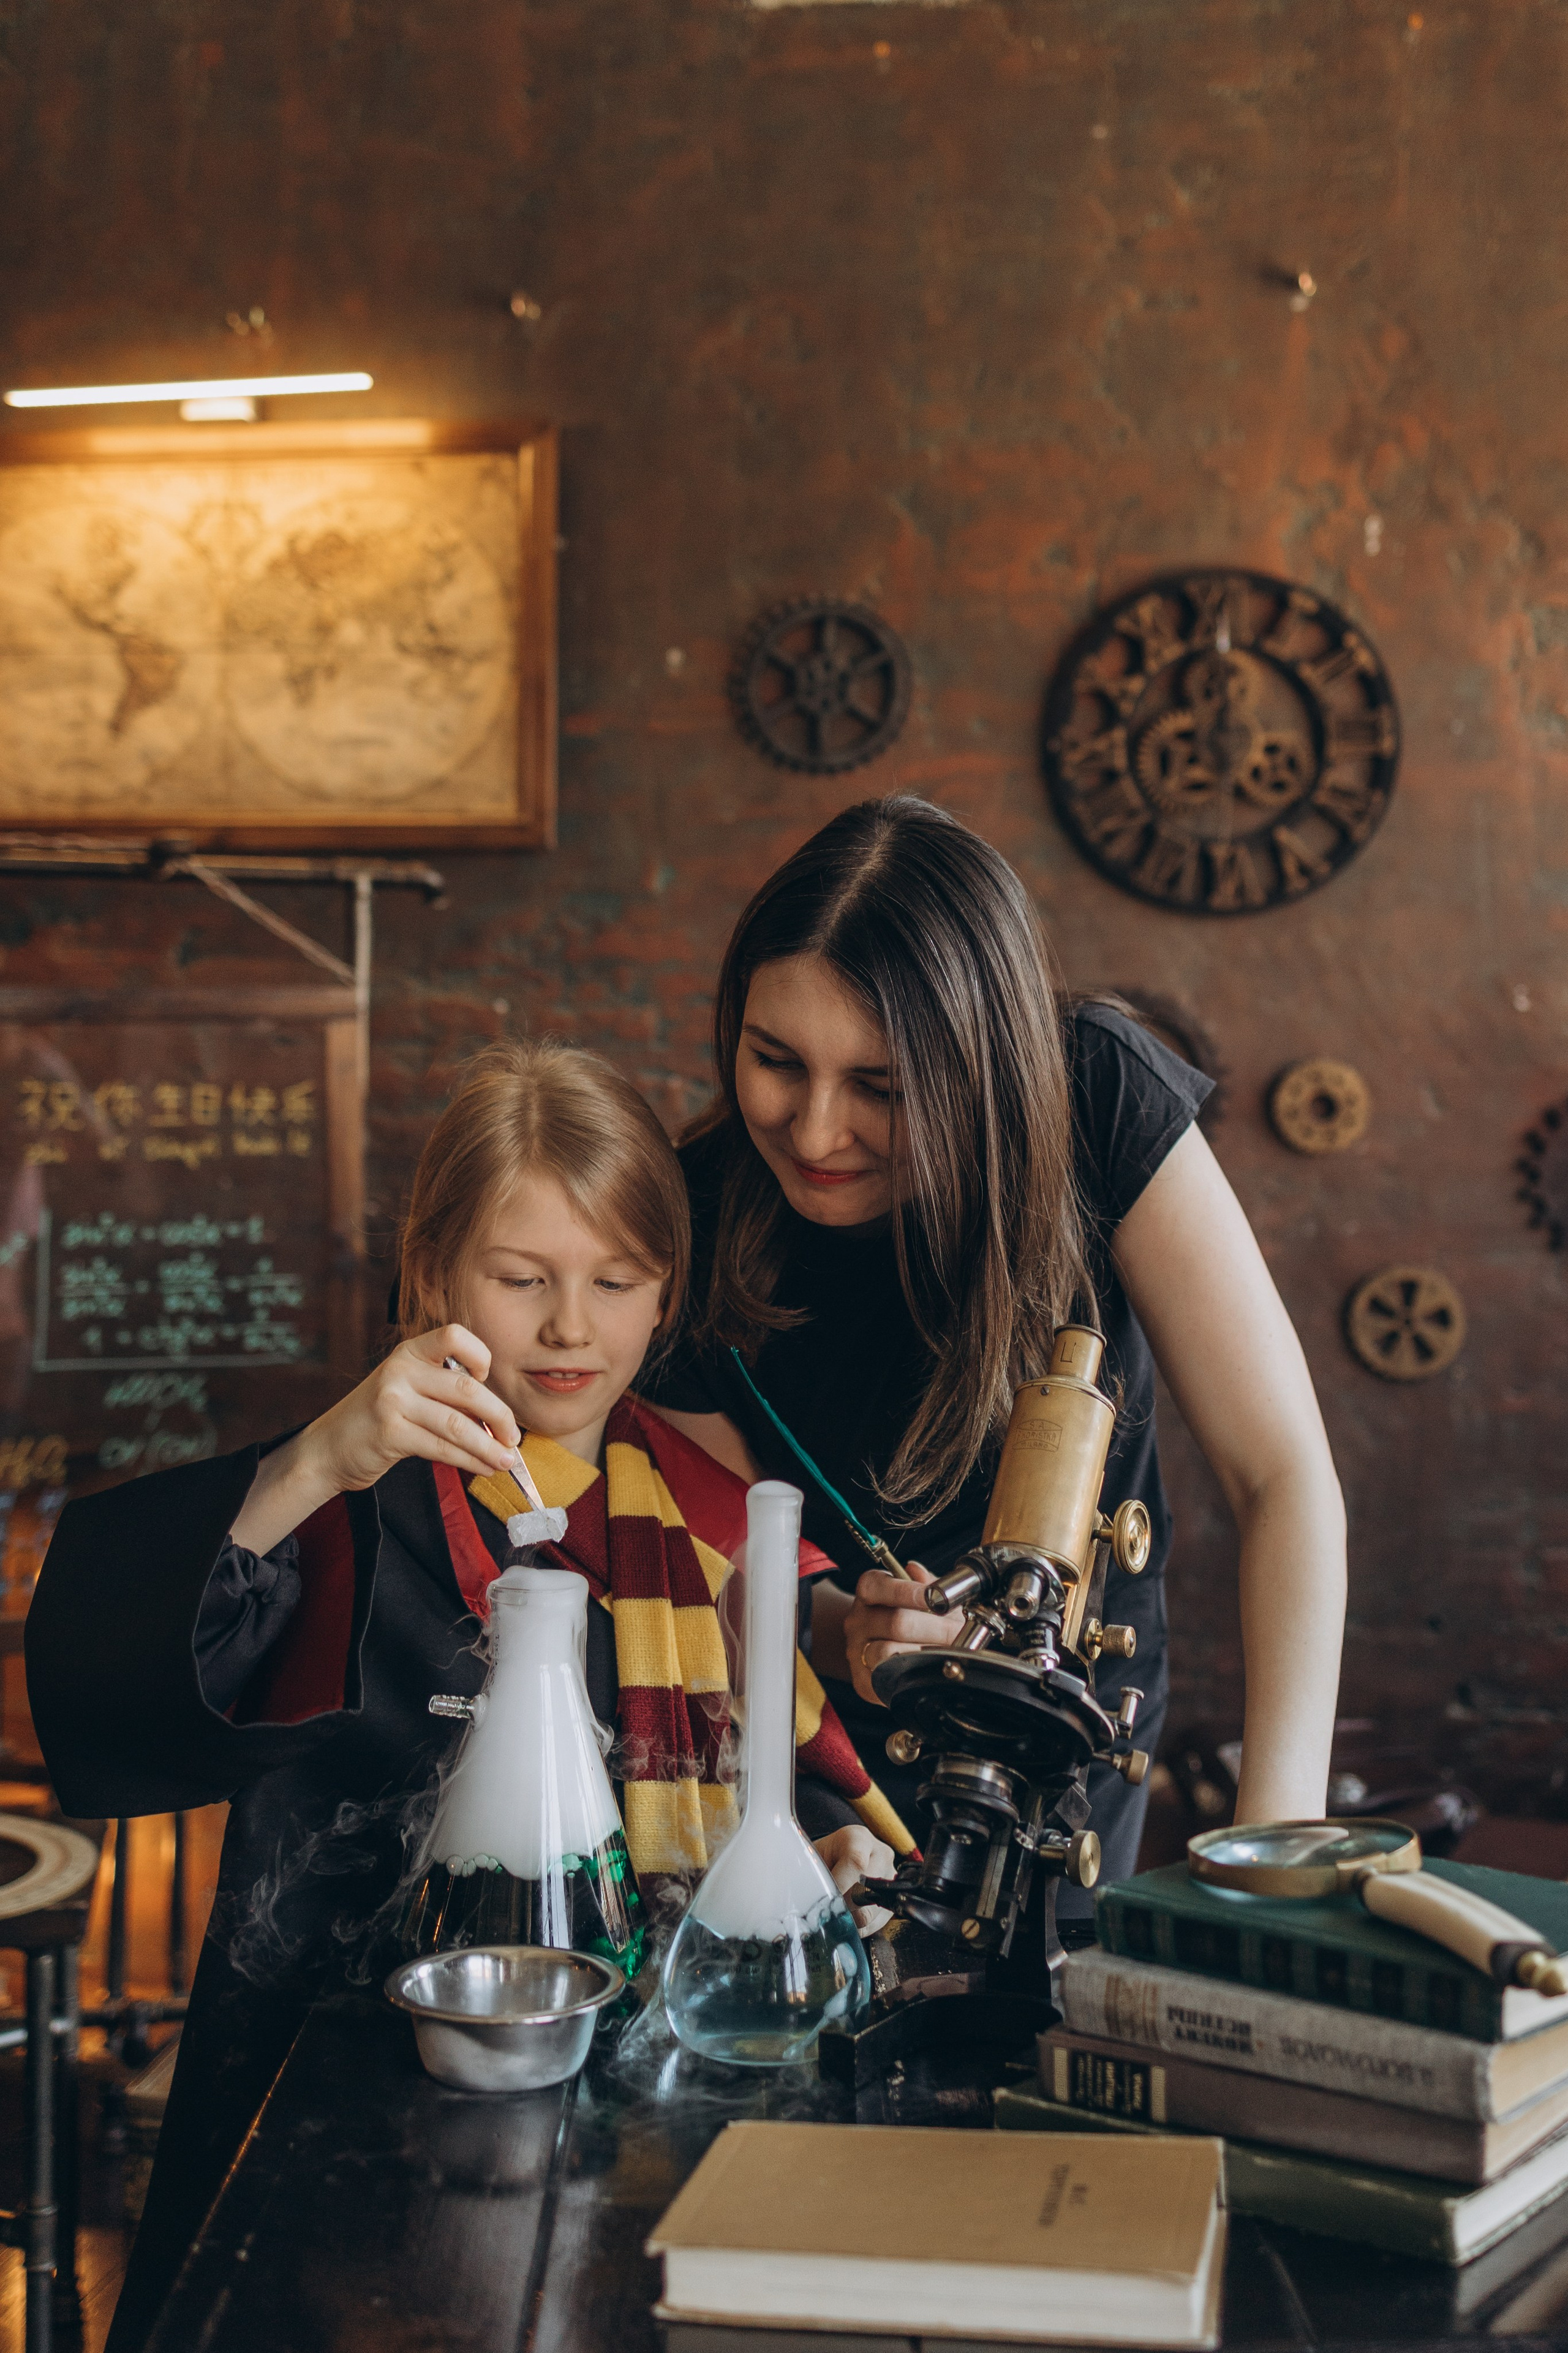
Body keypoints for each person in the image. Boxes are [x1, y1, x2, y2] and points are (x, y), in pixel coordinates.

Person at [26, 1040, 900, 2353]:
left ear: (665, 1296)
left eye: (616, 1281)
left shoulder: (705, 1515)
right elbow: (108, 1683)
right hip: (342, 2105)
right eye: (521, 1277)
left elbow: (803, 1793)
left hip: (646, 2108)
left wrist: (834, 1855)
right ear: (432, 1271)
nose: (569, 1328)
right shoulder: (344, 1498)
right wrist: (319, 1456)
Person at [643, 794, 1348, 1883]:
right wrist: (855, 1638)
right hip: (813, 1738)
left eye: (882, 1085)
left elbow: (1281, 1476)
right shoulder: (686, 1214)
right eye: (775, 1060)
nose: (817, 1130)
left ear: (981, 1061)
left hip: (1078, 1707)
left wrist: (1275, 1856)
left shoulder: (1099, 1098)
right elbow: (729, 1563)